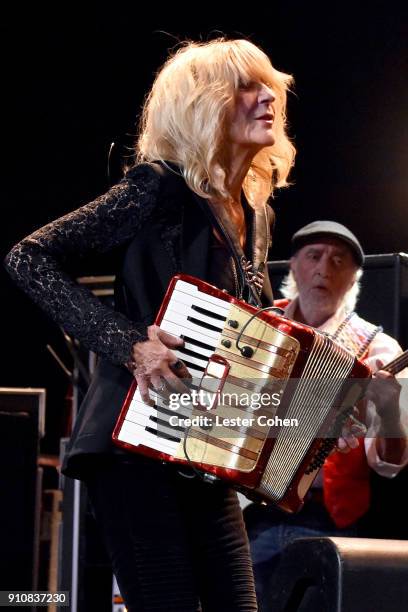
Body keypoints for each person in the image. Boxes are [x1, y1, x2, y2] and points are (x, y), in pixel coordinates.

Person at [5, 38, 296, 611]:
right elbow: (27, 256)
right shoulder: (156, 187)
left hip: (204, 449)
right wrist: (130, 342)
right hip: (133, 445)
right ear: (201, 103)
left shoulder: (254, 213)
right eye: (246, 86)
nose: (269, 97)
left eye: (269, 85)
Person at [244, 220, 408, 610]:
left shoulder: (379, 349)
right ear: (294, 266)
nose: (324, 269)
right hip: (246, 512)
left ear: (353, 278)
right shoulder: (257, 326)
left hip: (326, 521)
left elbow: (390, 464)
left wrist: (386, 410)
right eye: (314, 256)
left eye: (338, 261)